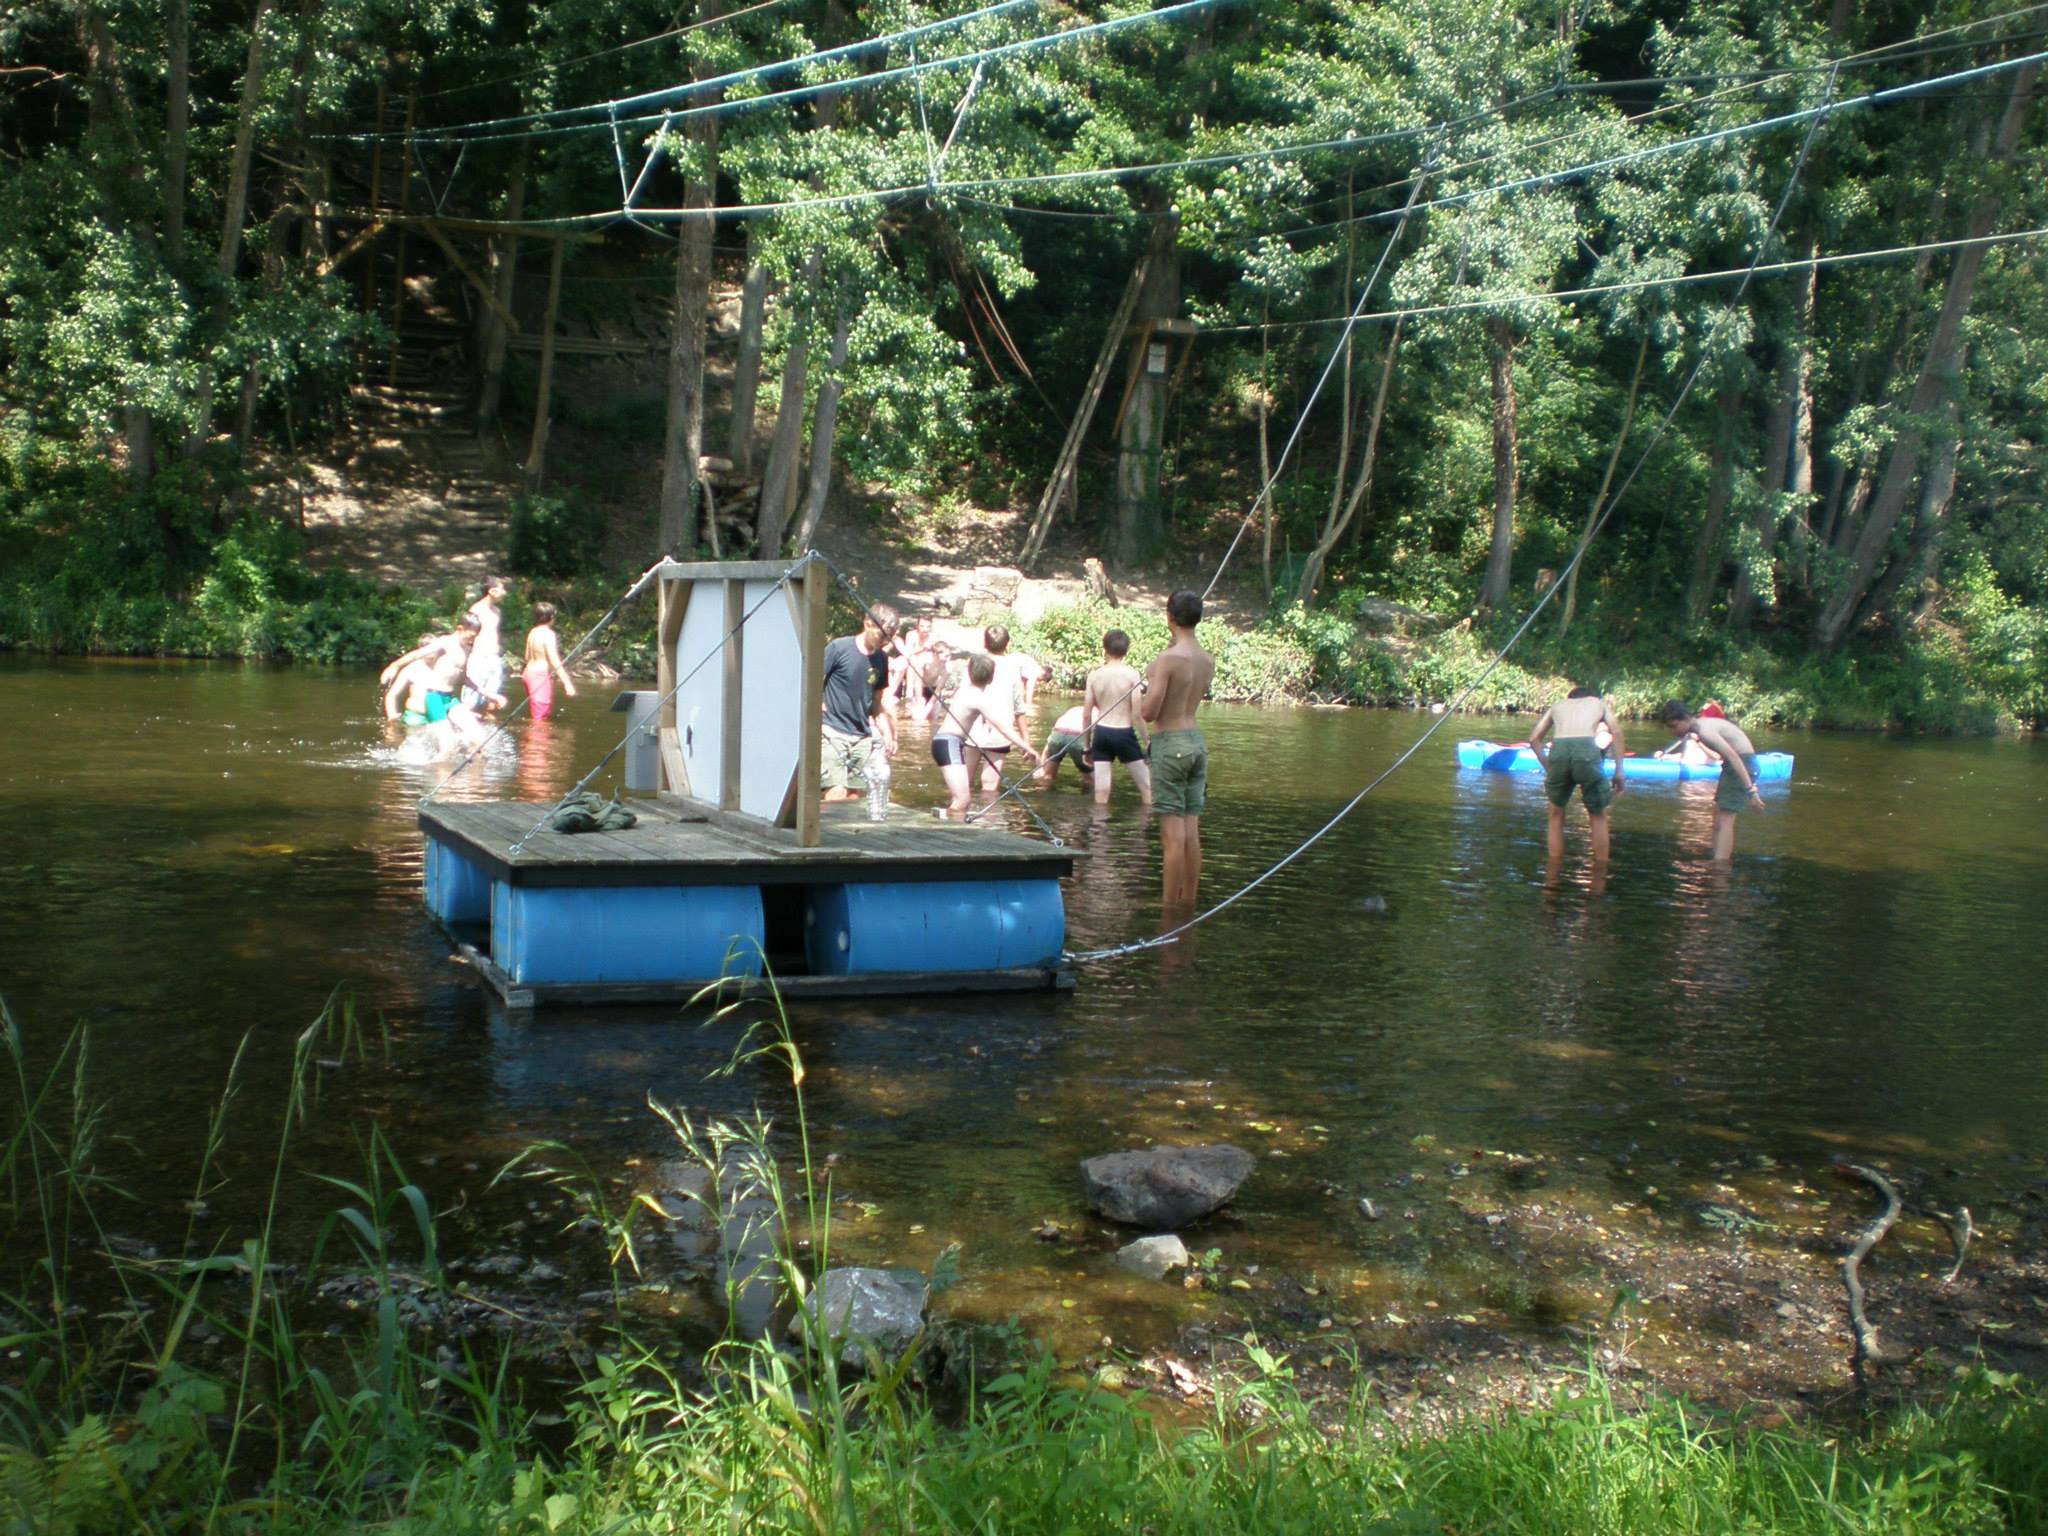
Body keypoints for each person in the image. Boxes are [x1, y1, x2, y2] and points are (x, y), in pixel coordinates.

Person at [1139, 590, 1214, 911]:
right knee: (1190, 831)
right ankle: (1189, 904)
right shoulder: (1206, 659)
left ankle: (1169, 913)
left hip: (1170, 744)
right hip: (1196, 742)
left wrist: (1152, 677)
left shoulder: (1167, 660)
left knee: (1172, 839)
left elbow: (1149, 712)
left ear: (1169, 616)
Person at [931, 655, 1041, 818]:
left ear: (970, 673)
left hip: (943, 742)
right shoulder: (980, 699)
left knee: (961, 799)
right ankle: (941, 828)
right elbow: (1004, 730)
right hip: (950, 743)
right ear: (991, 677)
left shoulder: (965, 690)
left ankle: (947, 827)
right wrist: (1029, 748)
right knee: (962, 801)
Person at [1657, 700, 1766, 860]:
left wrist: (1751, 791)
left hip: (1742, 763)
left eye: (1674, 726)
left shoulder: (1705, 730)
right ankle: (1715, 858)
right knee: (1717, 819)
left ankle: (1720, 867)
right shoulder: (1700, 728)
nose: (1673, 732)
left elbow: (1734, 757)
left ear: (1686, 718)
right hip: (1732, 766)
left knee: (1725, 820)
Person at [1528, 685, 1625, 861]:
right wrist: (1619, 770)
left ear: (1570, 698)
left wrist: (1548, 766)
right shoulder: (1598, 703)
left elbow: (1534, 739)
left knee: (1556, 813)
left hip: (1559, 750)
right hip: (1587, 749)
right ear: (1592, 697)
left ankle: (1553, 872)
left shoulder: (1558, 705)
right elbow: (1616, 732)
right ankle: (1600, 871)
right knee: (1597, 814)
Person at [821, 603, 898, 801]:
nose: (885, 641)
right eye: (882, 635)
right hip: (832, 730)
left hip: (861, 735)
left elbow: (876, 701)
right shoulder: (838, 648)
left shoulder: (881, 659)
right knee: (836, 791)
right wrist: (817, 704)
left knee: (855, 795)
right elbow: (810, 681)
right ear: (867, 624)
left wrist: (888, 732)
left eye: (889, 637)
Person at [1081, 628, 1153, 807]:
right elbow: (1137, 715)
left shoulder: (1094, 676)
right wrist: (1147, 741)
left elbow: (1087, 714)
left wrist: (1086, 747)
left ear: (1104, 648)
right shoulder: (1132, 674)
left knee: (1101, 792)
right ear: (1126, 650)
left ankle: (1099, 832)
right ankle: (1143, 831)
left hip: (1102, 733)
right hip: (1123, 733)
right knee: (1147, 788)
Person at [966, 624, 1027, 793]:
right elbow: (1019, 709)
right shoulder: (1013, 668)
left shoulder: (973, 662)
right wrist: (1025, 740)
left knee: (964, 780)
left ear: (984, 643)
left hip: (973, 728)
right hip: (1000, 732)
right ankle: (988, 818)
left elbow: (964, 694)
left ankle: (957, 816)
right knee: (990, 786)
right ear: (1007, 644)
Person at [521, 602, 578, 722]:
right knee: (540, 718)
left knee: (537, 714)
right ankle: (537, 741)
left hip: (528, 674)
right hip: (540, 676)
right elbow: (554, 660)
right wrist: (567, 683)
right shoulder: (548, 634)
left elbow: (526, 656)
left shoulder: (533, 632)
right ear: (551, 617)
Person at [463, 576, 511, 716]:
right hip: (479, 658)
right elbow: (468, 636)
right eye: (502, 589)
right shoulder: (476, 610)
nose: (505, 592)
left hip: (494, 659)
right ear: (492, 591)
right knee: (470, 702)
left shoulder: (497, 611)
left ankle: (486, 729)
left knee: (491, 702)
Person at [1031, 705, 1093, 787]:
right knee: (1089, 780)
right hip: (1079, 735)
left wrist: (1041, 766)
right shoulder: (1099, 712)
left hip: (1058, 732)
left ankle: (1041, 795)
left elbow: (1050, 740)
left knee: (1047, 776)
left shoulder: (1074, 709)